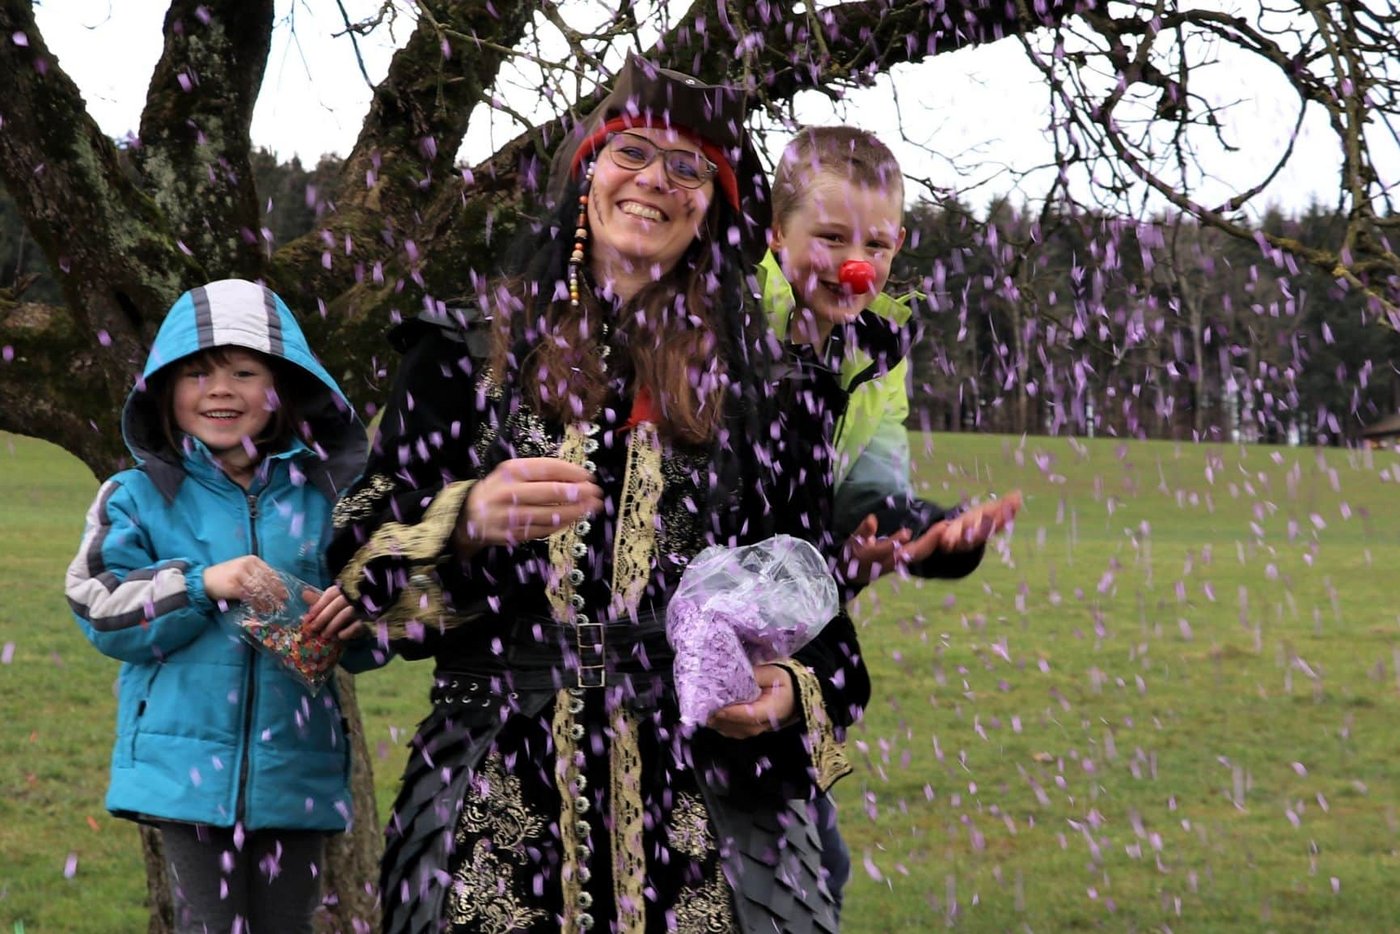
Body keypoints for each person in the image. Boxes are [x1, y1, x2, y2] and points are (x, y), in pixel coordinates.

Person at [323, 55, 868, 933]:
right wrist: (461, 519)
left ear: (714, 212)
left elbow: (824, 625)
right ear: (587, 174)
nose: (656, 179)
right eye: (633, 152)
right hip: (491, 796)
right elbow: (356, 562)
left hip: (709, 820)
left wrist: (779, 693)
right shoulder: (466, 361)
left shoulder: (773, 396)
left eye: (690, 168)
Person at [65, 279, 382, 934]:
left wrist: (360, 616)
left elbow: (386, 618)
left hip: (298, 766)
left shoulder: (327, 497)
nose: (220, 390)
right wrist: (204, 583)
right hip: (185, 777)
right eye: (197, 374)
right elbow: (97, 605)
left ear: (283, 388)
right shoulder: (135, 496)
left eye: (245, 372)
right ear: (163, 390)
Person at [761, 125, 1023, 910]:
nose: (857, 264)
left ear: (899, 243)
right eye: (831, 237)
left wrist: (931, 536)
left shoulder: (878, 350)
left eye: (876, 243)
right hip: (680, 630)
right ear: (777, 235)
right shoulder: (725, 324)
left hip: (788, 635)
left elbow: (873, 491)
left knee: (816, 871)